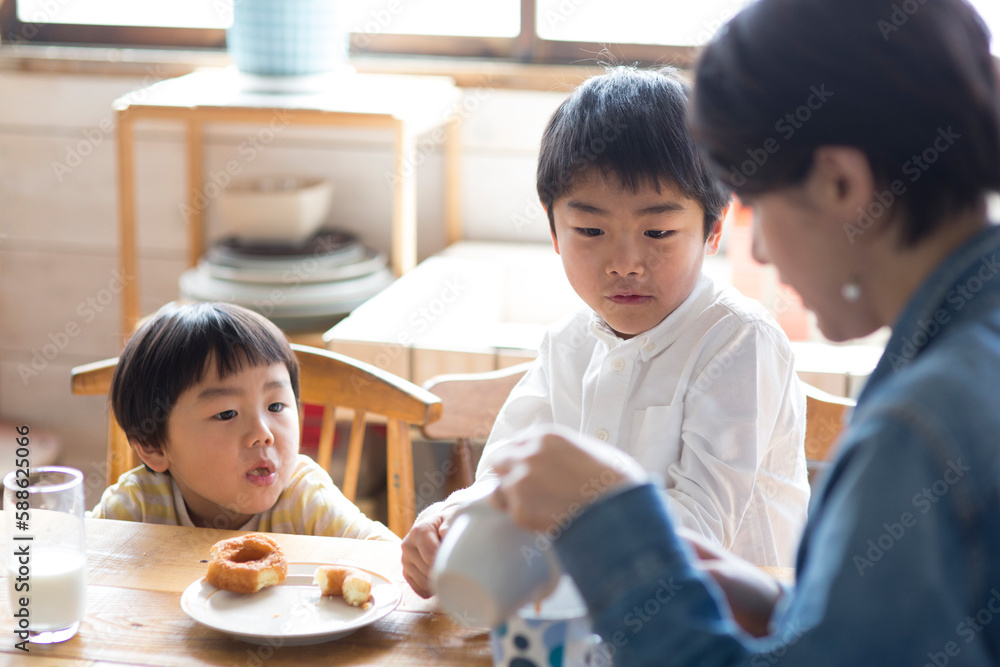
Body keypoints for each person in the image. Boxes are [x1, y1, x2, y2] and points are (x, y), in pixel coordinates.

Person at [485, 0, 1000, 663]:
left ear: (840, 183)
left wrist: (612, 519)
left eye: (754, 202)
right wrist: (785, 604)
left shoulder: (913, 433)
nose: (757, 251)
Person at [403, 66, 811, 597]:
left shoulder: (740, 341)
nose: (624, 263)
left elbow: (703, 534)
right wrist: (452, 517)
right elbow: (504, 476)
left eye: (658, 231)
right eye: (591, 230)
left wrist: (568, 504)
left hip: (729, 624)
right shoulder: (567, 342)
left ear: (713, 230)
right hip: (594, 614)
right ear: (554, 230)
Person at [90, 302, 397, 541]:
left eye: (276, 406)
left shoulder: (305, 500)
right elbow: (79, 558)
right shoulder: (137, 507)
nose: (262, 434)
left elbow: (386, 559)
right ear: (154, 446)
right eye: (227, 414)